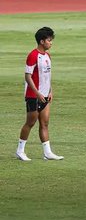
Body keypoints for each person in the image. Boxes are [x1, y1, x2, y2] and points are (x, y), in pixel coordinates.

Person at [15, 27, 64, 161]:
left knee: (45, 123)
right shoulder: (33, 55)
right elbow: (27, 76)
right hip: (33, 95)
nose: (51, 43)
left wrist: (50, 90)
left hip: (45, 95)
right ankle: (20, 151)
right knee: (30, 123)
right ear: (42, 41)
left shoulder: (48, 56)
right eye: (49, 40)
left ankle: (47, 152)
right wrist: (37, 93)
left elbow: (47, 76)